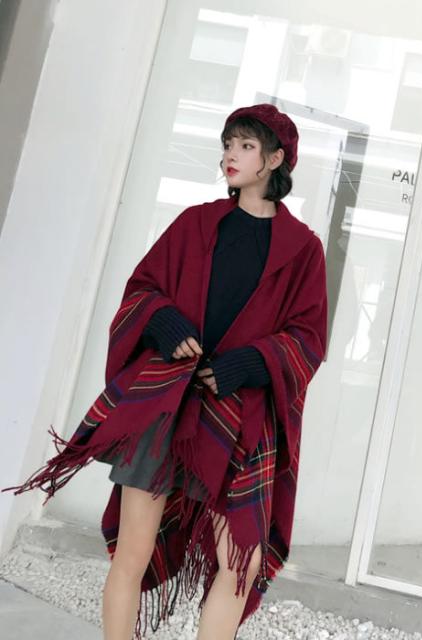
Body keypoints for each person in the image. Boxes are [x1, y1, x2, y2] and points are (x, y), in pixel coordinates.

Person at [2, 103, 328, 640]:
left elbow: (308, 337)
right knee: (131, 553)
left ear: (275, 159)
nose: (230, 154)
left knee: (240, 564)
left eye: (246, 146)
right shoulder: (195, 223)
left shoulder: (303, 250)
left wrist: (249, 363)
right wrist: (163, 321)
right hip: (166, 405)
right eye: (228, 144)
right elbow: (143, 290)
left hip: (240, 419)